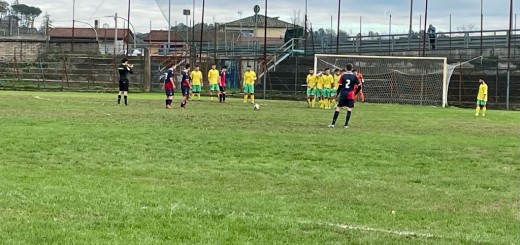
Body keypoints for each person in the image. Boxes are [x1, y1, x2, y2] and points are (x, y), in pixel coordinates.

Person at [328, 63, 361, 129]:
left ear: (346, 68)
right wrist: (355, 93)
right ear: (352, 69)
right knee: (349, 109)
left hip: (343, 93)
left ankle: (333, 124)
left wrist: (337, 94)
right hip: (350, 94)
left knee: (338, 108)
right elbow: (359, 86)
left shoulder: (343, 76)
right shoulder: (355, 76)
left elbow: (340, 86)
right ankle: (346, 125)